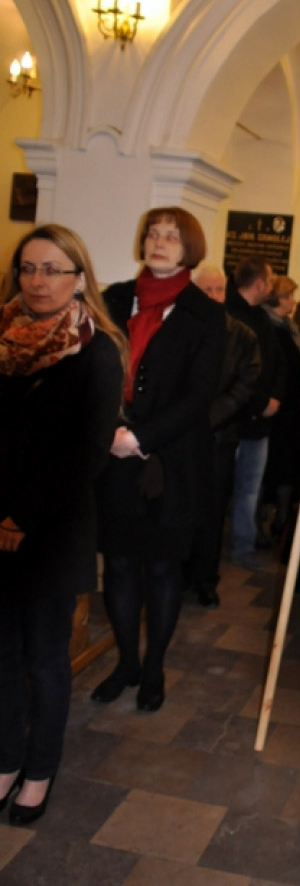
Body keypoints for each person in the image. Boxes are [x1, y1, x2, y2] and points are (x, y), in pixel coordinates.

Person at [0, 224, 124, 824]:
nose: (38, 280)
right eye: (28, 268)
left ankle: (39, 771)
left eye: (52, 269)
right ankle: (4, 759)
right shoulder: (1, 337)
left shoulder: (97, 350)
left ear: (79, 278)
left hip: (51, 526)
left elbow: (88, 453)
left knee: (45, 658)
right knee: (0, 654)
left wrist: (22, 515)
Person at [92, 207, 225, 712]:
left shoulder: (207, 313)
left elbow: (198, 397)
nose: (159, 242)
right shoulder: (113, 300)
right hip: (114, 457)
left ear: (189, 247)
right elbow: (95, 370)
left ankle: (154, 668)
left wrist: (140, 436)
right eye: (153, 233)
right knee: (121, 564)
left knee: (164, 569)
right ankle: (127, 661)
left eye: (171, 236)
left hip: (171, 463)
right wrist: (111, 431)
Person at [187, 265, 261, 606]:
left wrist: (207, 418)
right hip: (178, 439)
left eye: (219, 290)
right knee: (178, 509)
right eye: (206, 290)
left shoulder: (242, 335)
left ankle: (205, 578)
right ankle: (175, 573)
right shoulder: (177, 329)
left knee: (212, 512)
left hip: (219, 438)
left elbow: (245, 384)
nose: (214, 297)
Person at [225, 257, 284, 568]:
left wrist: (275, 395)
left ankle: (243, 546)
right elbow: (234, 372)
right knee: (223, 486)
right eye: (270, 281)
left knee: (250, 487)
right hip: (232, 419)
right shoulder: (227, 315)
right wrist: (261, 401)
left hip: (259, 421)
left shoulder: (262, 319)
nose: (272, 288)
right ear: (259, 283)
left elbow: (274, 363)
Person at [261, 275, 300, 544]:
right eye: (290, 296)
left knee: (284, 466)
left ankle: (281, 520)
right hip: (277, 410)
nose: (293, 301)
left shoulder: (287, 326)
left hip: (291, 409)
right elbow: (280, 369)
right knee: (273, 468)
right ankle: (267, 523)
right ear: (279, 299)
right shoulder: (270, 327)